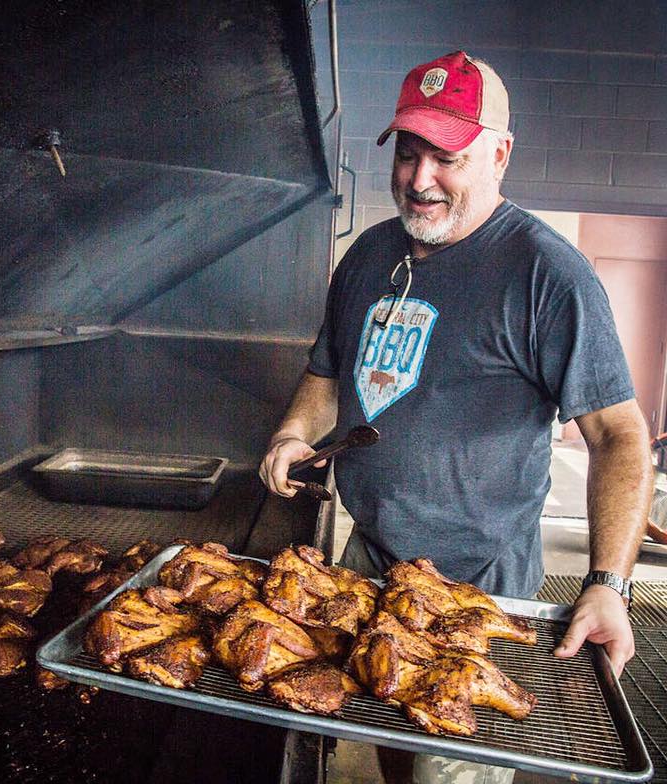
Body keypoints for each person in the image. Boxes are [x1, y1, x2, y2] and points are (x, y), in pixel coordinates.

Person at [259, 50, 653, 784]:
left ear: (498, 155)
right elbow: (326, 374)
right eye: (408, 155)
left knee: (451, 763)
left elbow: (620, 435)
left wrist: (607, 581)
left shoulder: (548, 274)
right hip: (365, 562)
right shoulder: (368, 254)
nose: (418, 179)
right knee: (386, 729)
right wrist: (292, 433)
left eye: (447, 158)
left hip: (476, 590)